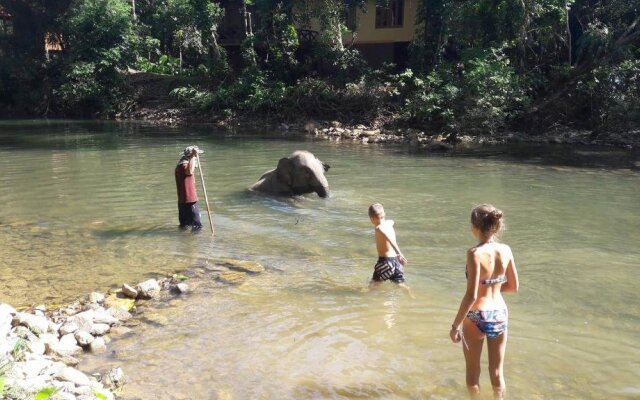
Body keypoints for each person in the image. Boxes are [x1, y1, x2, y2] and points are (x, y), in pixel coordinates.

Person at [449, 204, 519, 399]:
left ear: (474, 227)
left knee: (473, 374)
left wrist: (455, 326)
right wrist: (493, 288)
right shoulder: (506, 250)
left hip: (476, 315)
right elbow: (513, 286)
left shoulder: (474, 254)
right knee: (497, 373)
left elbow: (471, 296)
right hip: (499, 314)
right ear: (496, 226)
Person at [368, 203, 412, 296]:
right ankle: (407, 290)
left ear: (372, 219)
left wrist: (399, 253)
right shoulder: (389, 224)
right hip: (396, 263)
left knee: (372, 286)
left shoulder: (379, 228)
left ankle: (367, 302)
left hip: (385, 263)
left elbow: (390, 239)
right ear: (384, 215)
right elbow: (392, 221)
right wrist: (398, 256)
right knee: (399, 283)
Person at [175, 145, 204, 231]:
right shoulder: (184, 165)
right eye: (196, 156)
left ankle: (185, 242)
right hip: (189, 200)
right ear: (190, 156)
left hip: (183, 200)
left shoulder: (182, 164)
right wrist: (193, 156)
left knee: (184, 225)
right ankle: (194, 243)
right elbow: (189, 172)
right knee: (197, 226)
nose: (196, 158)